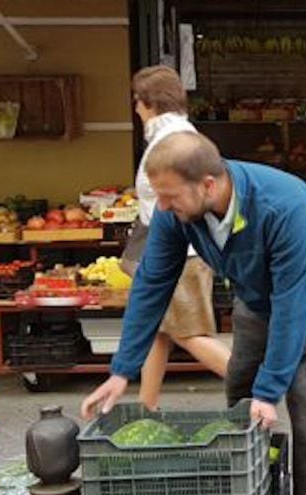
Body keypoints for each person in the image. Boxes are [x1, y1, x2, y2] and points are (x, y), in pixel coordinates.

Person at [80, 131, 306, 495]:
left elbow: (292, 305)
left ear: (208, 185)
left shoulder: (281, 205)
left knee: (301, 391)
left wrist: (271, 391)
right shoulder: (178, 213)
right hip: (258, 291)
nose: (165, 209)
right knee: (239, 388)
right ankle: (259, 494)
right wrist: (121, 371)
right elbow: (153, 283)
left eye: (171, 198)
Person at [128, 66, 231, 409]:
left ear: (146, 102)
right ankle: (147, 407)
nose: (135, 107)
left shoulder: (170, 139)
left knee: (188, 334)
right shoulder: (173, 132)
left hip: (180, 253)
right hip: (179, 250)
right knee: (159, 332)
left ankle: (259, 386)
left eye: (137, 100)